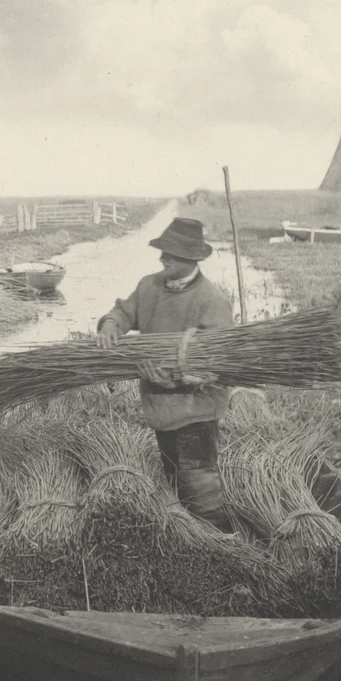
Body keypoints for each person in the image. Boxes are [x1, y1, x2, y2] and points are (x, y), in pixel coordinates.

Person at [95, 217, 234, 530]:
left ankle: (215, 537)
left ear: (191, 259)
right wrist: (111, 325)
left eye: (171, 254)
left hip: (196, 411)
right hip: (159, 408)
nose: (162, 258)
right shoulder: (149, 286)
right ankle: (186, 533)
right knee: (172, 473)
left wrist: (172, 379)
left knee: (198, 480)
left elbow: (217, 366)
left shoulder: (212, 301)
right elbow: (122, 311)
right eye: (163, 252)